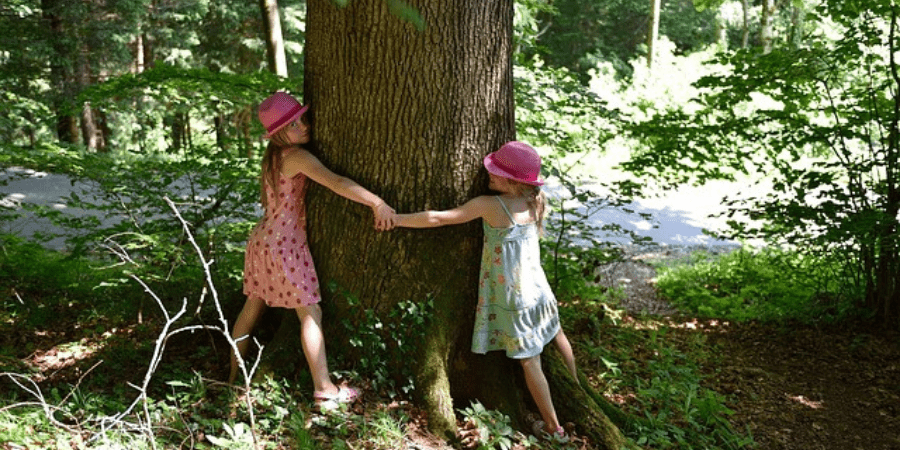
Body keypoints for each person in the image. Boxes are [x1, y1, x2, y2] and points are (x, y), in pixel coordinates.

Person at [392, 141, 578, 439]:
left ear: (513, 181)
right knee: (556, 333)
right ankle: (576, 387)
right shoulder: (535, 201)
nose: (487, 172)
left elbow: (439, 217)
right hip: (539, 289)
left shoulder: (490, 205)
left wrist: (397, 219)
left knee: (531, 362)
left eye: (496, 172)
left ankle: (555, 428)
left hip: (514, 299)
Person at [229, 91, 396, 407]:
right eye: (295, 123)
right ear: (280, 132)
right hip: (285, 245)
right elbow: (337, 182)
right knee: (310, 311)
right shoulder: (296, 157)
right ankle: (324, 388)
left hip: (261, 240)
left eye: (302, 119)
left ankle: (232, 378)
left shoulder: (272, 157)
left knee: (252, 306)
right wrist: (376, 201)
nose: (305, 126)